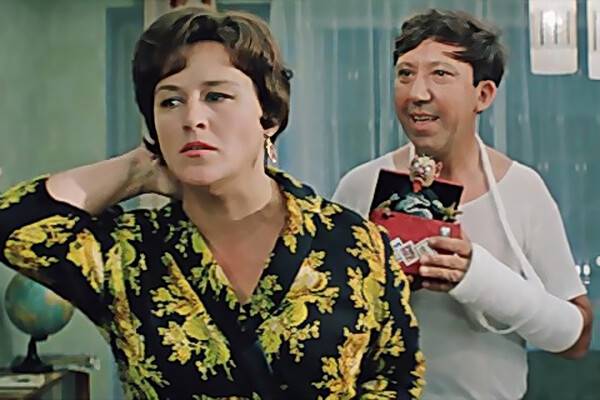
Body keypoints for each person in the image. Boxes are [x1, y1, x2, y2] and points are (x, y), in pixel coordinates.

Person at [0, 7, 425, 400]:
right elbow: (14, 227)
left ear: (268, 116)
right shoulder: (128, 252)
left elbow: (396, 376)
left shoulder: (353, 244)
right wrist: (137, 170)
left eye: (216, 96)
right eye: (170, 101)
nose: (192, 118)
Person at [332, 9, 592, 400]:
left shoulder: (523, 189)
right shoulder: (360, 185)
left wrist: (480, 278)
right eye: (405, 74)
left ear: (482, 95)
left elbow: (576, 338)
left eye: (440, 73)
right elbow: (323, 318)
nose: (417, 93)